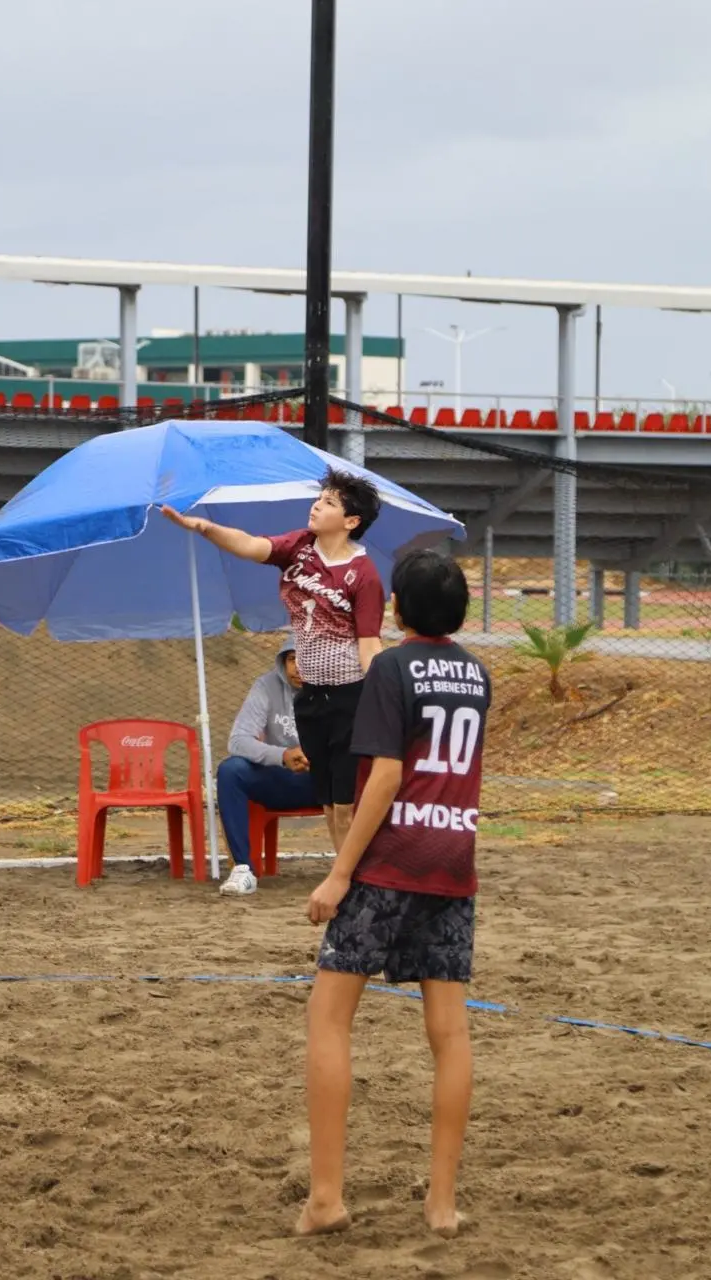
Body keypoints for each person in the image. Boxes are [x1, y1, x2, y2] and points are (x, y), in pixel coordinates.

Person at [296, 548, 491, 1239]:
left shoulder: (391, 668)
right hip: (453, 859)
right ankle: (441, 1206)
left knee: (329, 1017)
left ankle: (325, 1199)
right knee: (450, 1033)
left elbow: (383, 779)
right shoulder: (476, 672)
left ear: (398, 609)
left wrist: (340, 870)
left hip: (391, 861)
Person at [162, 467, 385, 855]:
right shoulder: (298, 548)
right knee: (330, 805)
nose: (316, 506)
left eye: (328, 503)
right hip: (311, 699)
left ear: (351, 521)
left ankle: (353, 880)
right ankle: (344, 875)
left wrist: (383, 702)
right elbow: (250, 545)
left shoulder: (363, 575)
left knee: (346, 805)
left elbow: (369, 645)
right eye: (319, 498)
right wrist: (203, 529)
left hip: (350, 697)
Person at [217, 635, 318, 898]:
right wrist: (281, 755)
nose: (298, 667)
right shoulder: (266, 686)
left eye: (305, 659)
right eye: (292, 659)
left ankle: (362, 872)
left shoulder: (335, 687)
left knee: (367, 770)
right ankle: (243, 869)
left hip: (325, 780)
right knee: (231, 770)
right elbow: (238, 740)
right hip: (280, 778)